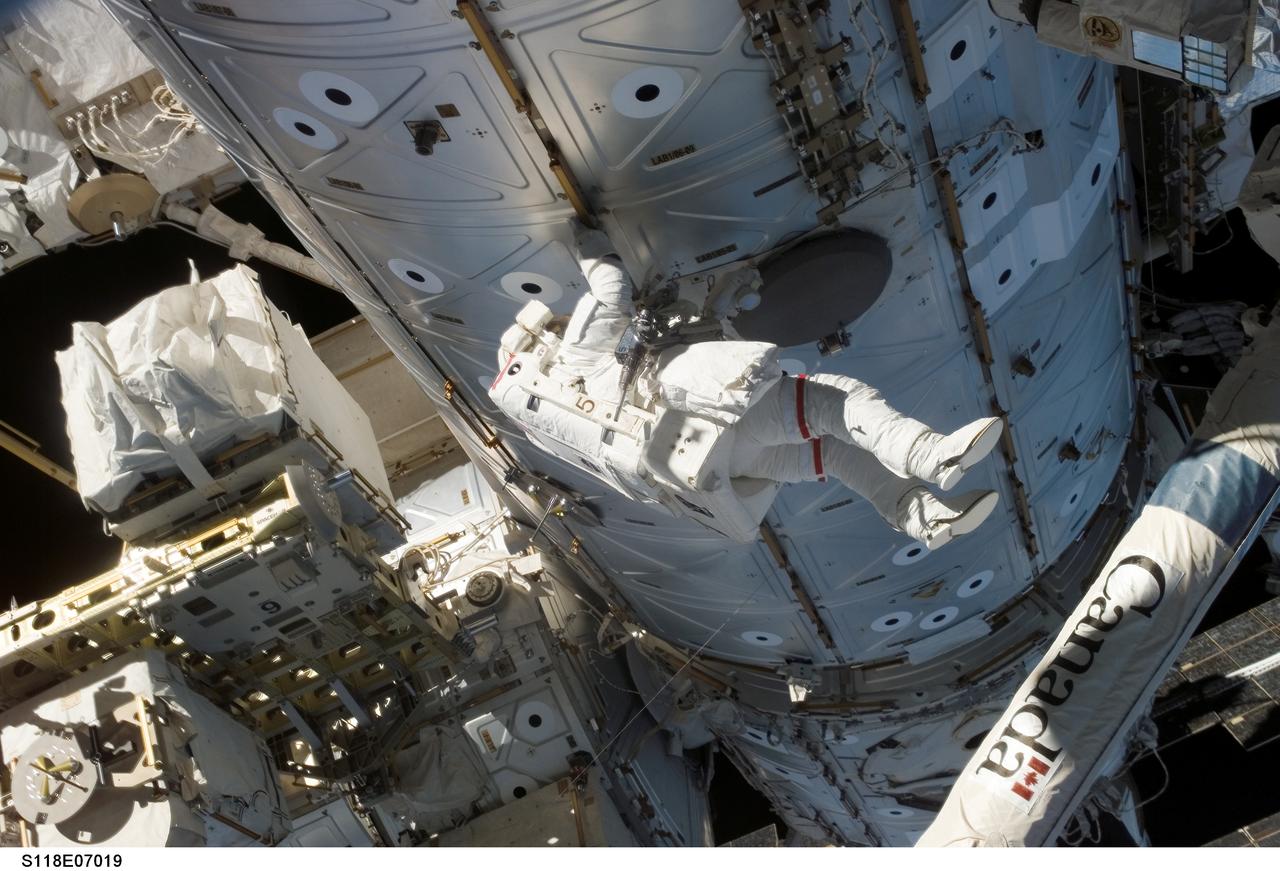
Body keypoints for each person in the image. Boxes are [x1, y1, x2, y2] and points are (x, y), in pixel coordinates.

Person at [489, 221, 1003, 549]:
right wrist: (580, 231)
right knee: (836, 403)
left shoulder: (545, 427)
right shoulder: (571, 360)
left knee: (836, 455)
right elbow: (612, 290)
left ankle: (924, 517)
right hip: (702, 417)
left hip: (714, 463)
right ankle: (933, 455)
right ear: (540, 344)